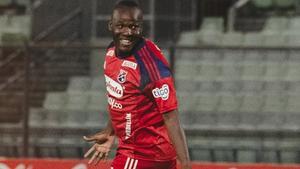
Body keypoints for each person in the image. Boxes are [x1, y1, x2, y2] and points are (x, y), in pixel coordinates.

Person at [83, 1, 191, 169]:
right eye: (121, 26)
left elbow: (171, 117)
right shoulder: (111, 51)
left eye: (134, 27)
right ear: (110, 26)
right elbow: (122, 97)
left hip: (145, 152)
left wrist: (185, 164)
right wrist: (110, 132)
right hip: (134, 150)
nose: (128, 32)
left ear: (142, 27)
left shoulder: (151, 66)